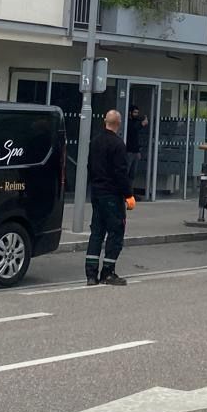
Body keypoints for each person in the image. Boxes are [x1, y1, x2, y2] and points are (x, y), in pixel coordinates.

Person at [86, 109, 135, 286]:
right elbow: (120, 173)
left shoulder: (95, 141)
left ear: (105, 121)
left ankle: (91, 275)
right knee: (115, 232)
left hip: (97, 193)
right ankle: (108, 272)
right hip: (112, 195)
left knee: (96, 232)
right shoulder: (118, 144)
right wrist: (128, 195)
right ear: (118, 124)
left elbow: (90, 166)